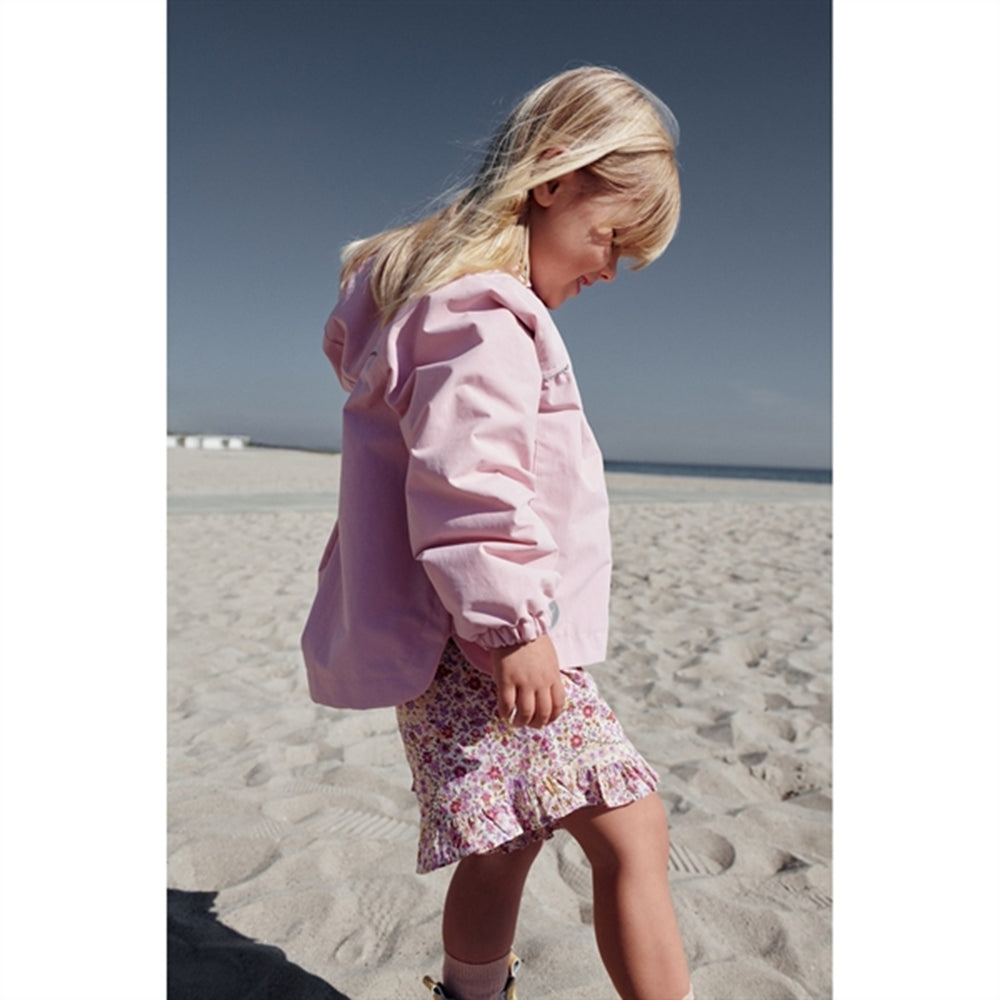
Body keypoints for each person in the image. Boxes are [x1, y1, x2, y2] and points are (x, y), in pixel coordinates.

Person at [301, 66, 693, 1000]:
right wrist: (516, 627)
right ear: (553, 176)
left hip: (459, 632)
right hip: (485, 634)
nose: (608, 269)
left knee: (504, 843)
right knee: (632, 828)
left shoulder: (442, 305)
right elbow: (468, 478)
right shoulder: (481, 311)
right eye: (610, 236)